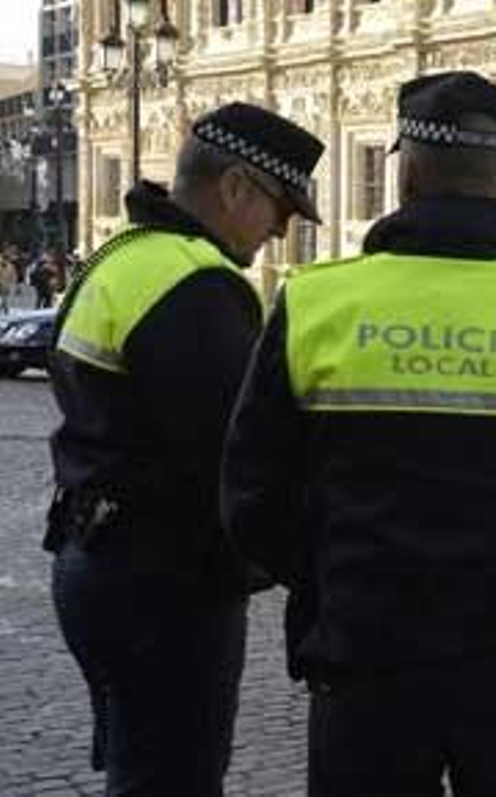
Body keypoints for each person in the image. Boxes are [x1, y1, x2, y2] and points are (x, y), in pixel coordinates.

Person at [220, 72, 496, 797]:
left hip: (366, 653)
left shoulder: (315, 302)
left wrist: (338, 572)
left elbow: (249, 499)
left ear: (405, 172)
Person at [44, 104, 324, 796]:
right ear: (234, 188)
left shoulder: (125, 256)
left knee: (141, 768)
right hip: (164, 580)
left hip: (95, 555)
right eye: (280, 208)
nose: (280, 231)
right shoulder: (197, 283)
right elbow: (239, 454)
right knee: (174, 777)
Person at [0, 249, 14, 314]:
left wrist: (13, 283)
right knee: (4, 298)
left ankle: (4, 308)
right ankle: (6, 309)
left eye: (5, 259)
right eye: (3, 259)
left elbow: (13, 275)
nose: (4, 260)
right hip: (1, 284)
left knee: (4, 298)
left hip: (6, 285)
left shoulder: (10, 266)